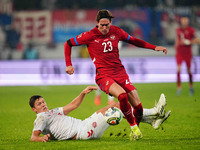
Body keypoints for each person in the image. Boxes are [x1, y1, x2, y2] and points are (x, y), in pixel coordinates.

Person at [64, 9, 167, 140]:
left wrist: (154, 47)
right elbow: (68, 43)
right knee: (122, 96)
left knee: (139, 108)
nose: (104, 27)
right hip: (104, 75)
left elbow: (134, 41)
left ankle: (135, 131)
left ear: (110, 23)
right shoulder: (90, 35)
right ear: (97, 23)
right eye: (102, 25)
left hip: (120, 72)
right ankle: (134, 127)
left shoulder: (117, 31)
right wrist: (68, 63)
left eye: (107, 25)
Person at [30, 86, 170, 142]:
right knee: (115, 106)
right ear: (34, 110)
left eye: (43, 102)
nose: (43, 104)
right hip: (83, 132)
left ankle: (152, 121)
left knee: (116, 106)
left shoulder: (52, 112)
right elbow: (33, 137)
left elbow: (73, 105)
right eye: (39, 104)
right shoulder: (41, 117)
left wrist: (82, 93)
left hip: (84, 125)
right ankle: (154, 112)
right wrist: (41, 139)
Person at [174, 16, 199, 96]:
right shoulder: (178, 30)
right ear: (181, 22)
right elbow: (177, 40)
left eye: (186, 21)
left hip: (187, 53)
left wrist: (189, 42)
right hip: (180, 53)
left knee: (188, 70)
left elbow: (197, 40)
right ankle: (179, 88)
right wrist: (176, 46)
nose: (184, 22)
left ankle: (191, 87)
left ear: (187, 22)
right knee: (178, 70)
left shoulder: (191, 30)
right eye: (183, 21)